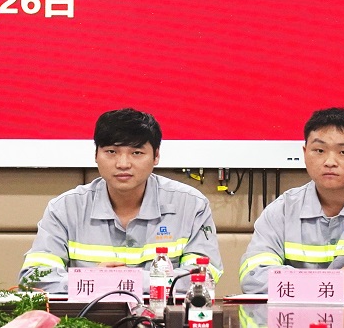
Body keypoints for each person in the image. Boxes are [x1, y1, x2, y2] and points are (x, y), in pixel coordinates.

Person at [18, 108, 222, 293]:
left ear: (156, 156)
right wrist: (90, 280)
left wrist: (124, 281)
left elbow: (204, 276)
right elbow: (33, 278)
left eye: (136, 153)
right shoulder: (65, 209)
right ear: (96, 155)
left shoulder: (191, 205)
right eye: (111, 152)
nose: (123, 164)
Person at [239, 107, 344, 295]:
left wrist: (298, 283)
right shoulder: (281, 210)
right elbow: (253, 277)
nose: (330, 161)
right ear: (305, 152)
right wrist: (334, 283)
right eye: (319, 150)